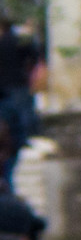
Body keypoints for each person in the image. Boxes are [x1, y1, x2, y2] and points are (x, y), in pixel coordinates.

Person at [0, 22, 42, 192]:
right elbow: (34, 56)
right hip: (17, 83)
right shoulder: (18, 40)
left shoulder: (13, 41)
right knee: (22, 114)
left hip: (11, 85)